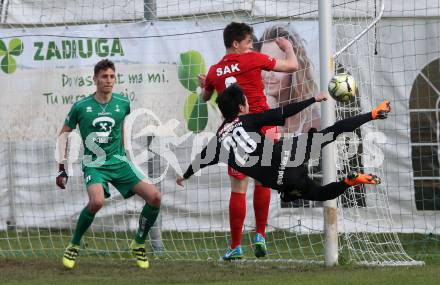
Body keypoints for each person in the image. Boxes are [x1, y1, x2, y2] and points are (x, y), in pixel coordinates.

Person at [177, 85, 390, 260]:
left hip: (283, 180)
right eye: (246, 101)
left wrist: (184, 176)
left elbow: (199, 161)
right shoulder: (248, 120)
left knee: (321, 194)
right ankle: (373, 113)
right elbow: (284, 112)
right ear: (242, 107)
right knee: (331, 133)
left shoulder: (218, 142)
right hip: (289, 153)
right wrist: (313, 100)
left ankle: (348, 182)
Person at [198, 22, 299, 260]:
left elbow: (205, 96)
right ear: (236, 44)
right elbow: (293, 65)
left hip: (237, 130)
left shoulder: (213, 71)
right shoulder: (252, 58)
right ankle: (260, 235)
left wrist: (205, 85)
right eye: (248, 42)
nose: (251, 45)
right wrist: (288, 47)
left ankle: (235, 247)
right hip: (264, 125)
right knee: (263, 181)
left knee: (239, 188)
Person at [56, 59, 161, 269]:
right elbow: (63, 136)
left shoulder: (123, 103)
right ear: (95, 79)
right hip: (94, 164)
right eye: (104, 76)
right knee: (96, 202)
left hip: (119, 162)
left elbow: (121, 128)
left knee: (155, 197)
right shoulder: (81, 106)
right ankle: (74, 245)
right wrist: (61, 168)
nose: (109, 80)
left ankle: (138, 243)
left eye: (112, 76)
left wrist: (125, 153)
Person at [258, 25, 320, 135]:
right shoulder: (246, 109)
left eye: (278, 65)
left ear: (295, 69)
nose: (269, 74)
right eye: (264, 65)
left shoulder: (311, 117)